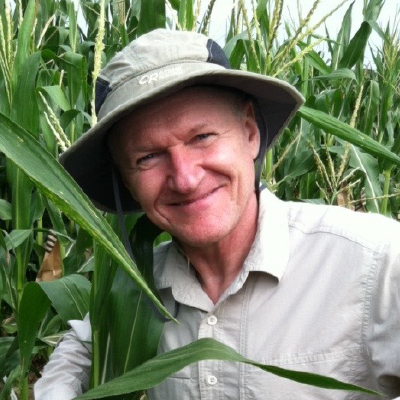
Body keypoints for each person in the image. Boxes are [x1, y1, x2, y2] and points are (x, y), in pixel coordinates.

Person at [34, 29, 400, 400]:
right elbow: (78, 350)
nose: (186, 179)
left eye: (202, 137)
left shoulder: (375, 263)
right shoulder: (136, 289)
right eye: (148, 157)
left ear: (250, 133)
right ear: (126, 181)